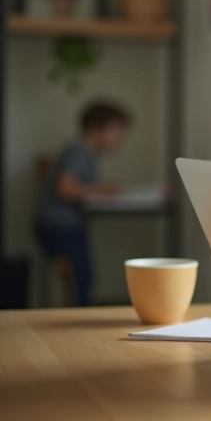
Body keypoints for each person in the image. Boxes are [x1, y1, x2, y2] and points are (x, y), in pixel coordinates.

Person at [36, 101, 130, 306]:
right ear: (96, 128)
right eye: (116, 131)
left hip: (62, 226)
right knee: (82, 277)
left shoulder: (85, 154)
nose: (119, 139)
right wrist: (103, 191)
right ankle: (77, 319)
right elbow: (65, 188)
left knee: (85, 276)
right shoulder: (79, 152)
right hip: (58, 227)